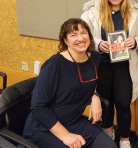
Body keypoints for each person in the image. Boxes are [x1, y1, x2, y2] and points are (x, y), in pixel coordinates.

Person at [23, 18, 118, 148]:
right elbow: (38, 107)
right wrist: (65, 135)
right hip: (46, 126)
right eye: (73, 35)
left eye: (83, 33)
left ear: (89, 37)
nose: (80, 38)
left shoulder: (95, 58)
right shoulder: (54, 64)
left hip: (74, 121)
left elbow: (92, 82)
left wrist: (95, 96)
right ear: (65, 41)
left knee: (110, 146)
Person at [81, 0, 138, 148]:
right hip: (102, 65)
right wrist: (98, 43)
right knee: (105, 102)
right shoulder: (93, 12)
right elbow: (84, 36)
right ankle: (108, 131)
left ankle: (125, 139)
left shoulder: (134, 13)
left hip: (124, 66)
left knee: (123, 103)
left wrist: (135, 42)